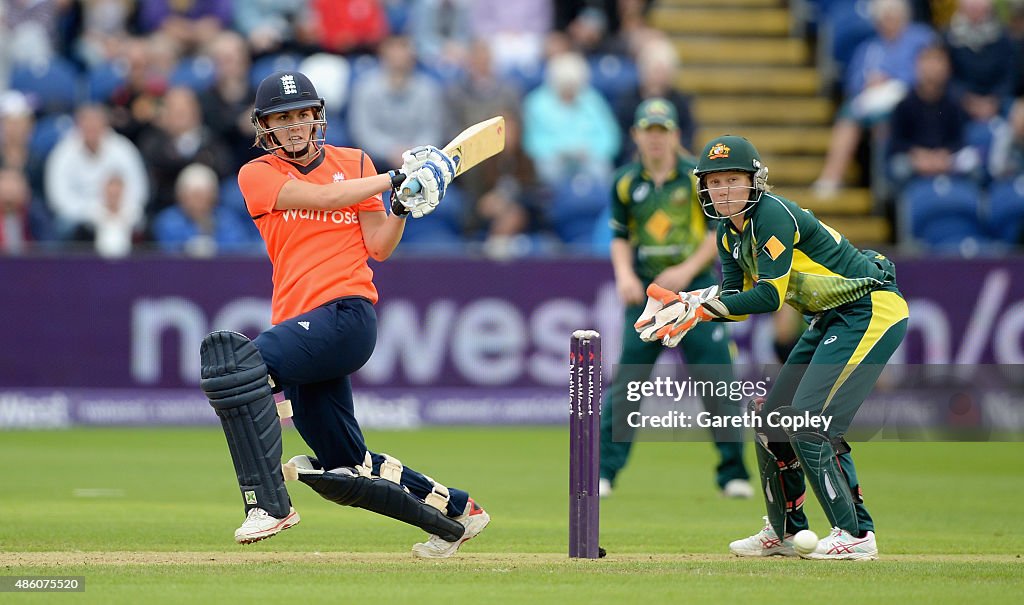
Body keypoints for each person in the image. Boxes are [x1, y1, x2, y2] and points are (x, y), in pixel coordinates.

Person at [199, 70, 488, 559]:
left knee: (234, 365)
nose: (294, 125)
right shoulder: (258, 174)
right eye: (282, 118)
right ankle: (457, 515)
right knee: (344, 464)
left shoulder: (354, 162)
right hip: (301, 324)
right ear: (265, 126)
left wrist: (400, 206)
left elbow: (379, 246)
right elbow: (322, 197)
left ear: (318, 118)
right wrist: (396, 179)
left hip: (346, 316)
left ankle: (269, 504)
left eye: (303, 115)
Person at [636, 135, 909, 560]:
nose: (723, 191)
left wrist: (702, 309)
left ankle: (857, 534)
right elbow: (736, 302)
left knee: (808, 421)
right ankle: (784, 531)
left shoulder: (773, 216)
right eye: (714, 182)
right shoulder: (727, 233)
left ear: (754, 181)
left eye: (732, 180)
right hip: (829, 316)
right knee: (771, 420)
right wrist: (693, 302)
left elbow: (769, 297)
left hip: (869, 308)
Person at [599, 99, 751, 500]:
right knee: (627, 385)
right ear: (636, 135)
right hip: (648, 295)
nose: (655, 140)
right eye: (648, 132)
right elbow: (618, 236)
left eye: (662, 132)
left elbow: (715, 235)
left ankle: (733, 475)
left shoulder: (695, 179)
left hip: (697, 291)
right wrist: (625, 274)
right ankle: (604, 474)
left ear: (675, 135)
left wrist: (685, 272)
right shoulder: (626, 182)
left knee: (718, 384)